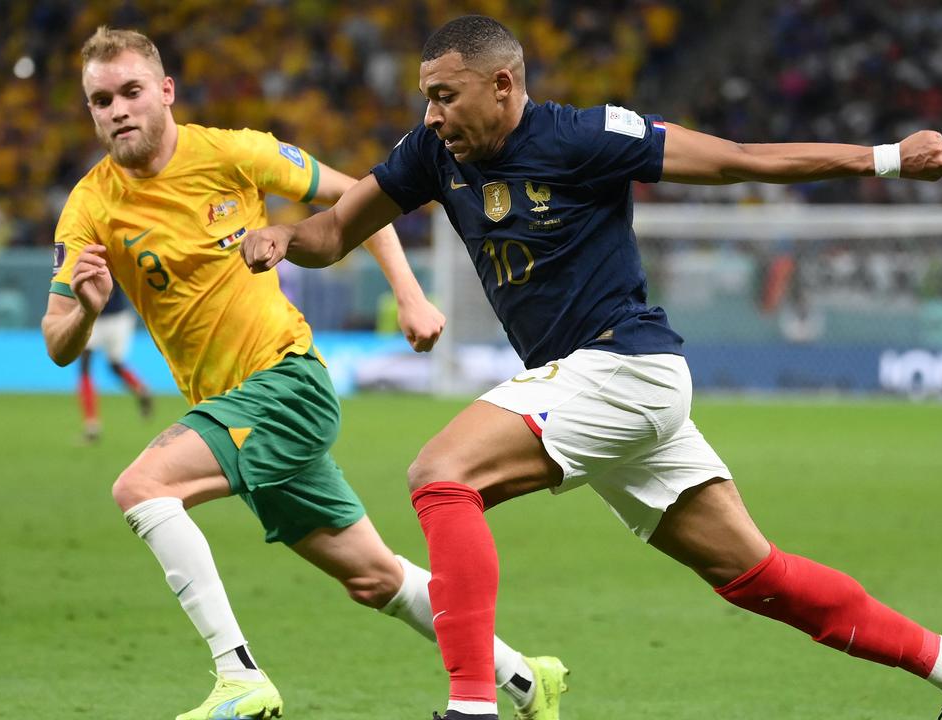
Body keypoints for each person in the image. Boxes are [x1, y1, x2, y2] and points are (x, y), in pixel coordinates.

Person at [240, 15, 942, 720]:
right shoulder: (430, 155)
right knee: (758, 576)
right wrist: (282, 237)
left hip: (624, 364)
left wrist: (883, 158)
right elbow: (336, 229)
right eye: (426, 98)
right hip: (587, 387)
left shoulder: (584, 136)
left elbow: (736, 161)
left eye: (446, 96)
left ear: (503, 84)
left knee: (443, 475)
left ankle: (471, 707)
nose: (432, 115)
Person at [41, 27, 568, 720]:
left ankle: (238, 676)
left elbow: (365, 206)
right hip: (233, 409)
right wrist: (84, 310)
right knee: (374, 578)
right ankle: (528, 681)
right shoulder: (90, 205)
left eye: (131, 91)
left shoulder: (234, 153)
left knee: (142, 486)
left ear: (165, 92)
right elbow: (56, 343)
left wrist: (409, 297)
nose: (117, 109)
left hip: (286, 384)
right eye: (100, 99)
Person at [73, 283, 154, 443]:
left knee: (113, 366)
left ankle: (141, 390)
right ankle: (92, 426)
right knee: (87, 365)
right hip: (104, 318)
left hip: (112, 318)